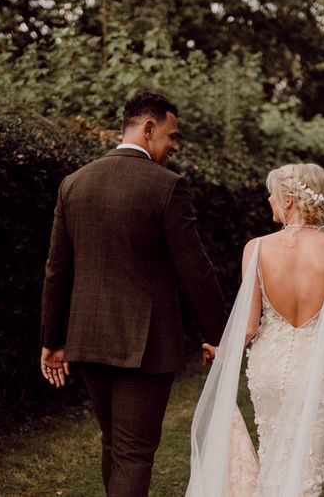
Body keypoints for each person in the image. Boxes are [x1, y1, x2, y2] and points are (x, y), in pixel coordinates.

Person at [40, 91, 227, 497]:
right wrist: (221, 334)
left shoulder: (74, 184)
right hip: (145, 345)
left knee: (115, 445)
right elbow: (195, 270)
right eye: (172, 136)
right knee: (133, 453)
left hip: (87, 340)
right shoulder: (166, 186)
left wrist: (52, 341)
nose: (175, 147)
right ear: (148, 128)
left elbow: (57, 271)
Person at [188, 163, 324, 497]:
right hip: (313, 370)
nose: (269, 199)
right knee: (305, 466)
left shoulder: (256, 248)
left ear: (290, 201)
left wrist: (224, 352)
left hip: (267, 366)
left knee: (272, 457)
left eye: (274, 194)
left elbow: (248, 327)